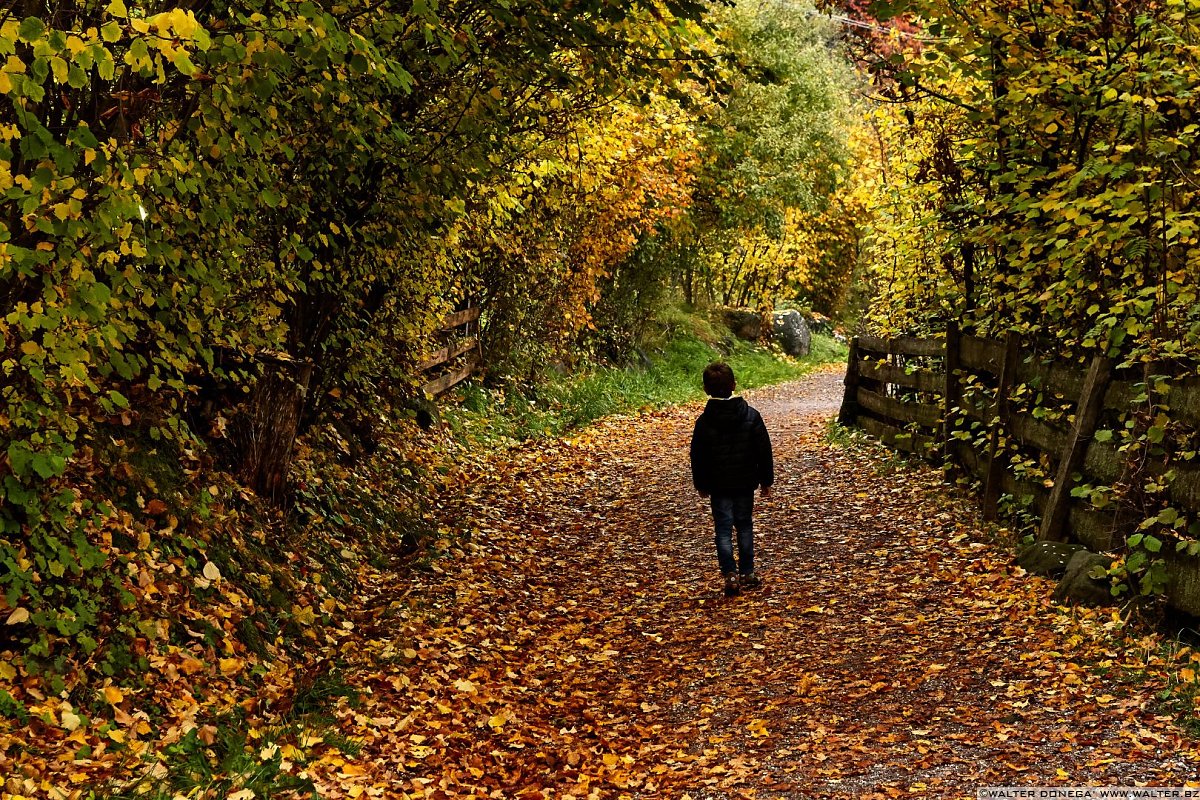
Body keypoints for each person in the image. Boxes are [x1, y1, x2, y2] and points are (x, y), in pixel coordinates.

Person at [689, 362, 774, 597]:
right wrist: (766, 480)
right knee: (744, 525)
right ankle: (748, 571)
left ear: (706, 389)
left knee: (723, 529)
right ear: (734, 385)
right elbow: (763, 449)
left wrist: (701, 483)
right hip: (745, 482)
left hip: (718, 485)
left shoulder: (704, 422)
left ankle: (730, 573)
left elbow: (698, 455)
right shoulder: (751, 416)